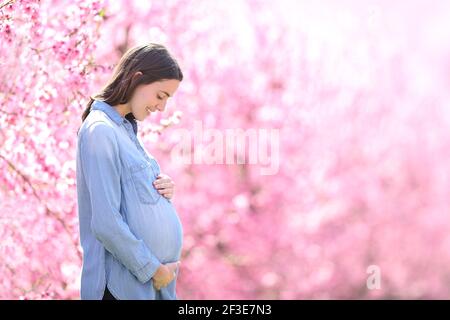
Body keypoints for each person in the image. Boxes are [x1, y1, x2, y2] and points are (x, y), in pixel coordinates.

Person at [76, 43, 184, 300]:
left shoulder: (126, 132)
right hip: (119, 289)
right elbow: (105, 222)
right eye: (160, 96)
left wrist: (162, 189)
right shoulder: (100, 131)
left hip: (146, 288)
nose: (162, 108)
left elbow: (133, 199)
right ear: (137, 79)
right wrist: (154, 269)